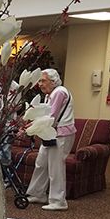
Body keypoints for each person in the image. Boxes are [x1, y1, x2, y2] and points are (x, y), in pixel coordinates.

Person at [25, 68, 75, 211]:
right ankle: (37, 193)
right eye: (39, 81)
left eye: (43, 80)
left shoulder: (59, 92)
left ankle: (58, 201)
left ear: (53, 81)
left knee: (56, 168)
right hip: (50, 133)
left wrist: (32, 126)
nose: (40, 84)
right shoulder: (50, 94)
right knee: (41, 163)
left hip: (61, 134)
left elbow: (51, 116)